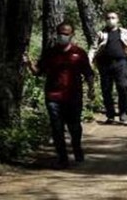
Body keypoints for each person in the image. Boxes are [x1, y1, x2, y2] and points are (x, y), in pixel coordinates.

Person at [24, 23, 95, 169]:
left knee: (74, 126)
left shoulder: (79, 53)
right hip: (53, 96)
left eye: (67, 33)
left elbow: (88, 73)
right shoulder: (50, 53)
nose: (63, 36)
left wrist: (91, 89)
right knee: (56, 127)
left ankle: (77, 148)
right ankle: (62, 158)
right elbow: (38, 72)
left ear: (72, 35)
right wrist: (29, 64)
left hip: (73, 96)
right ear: (57, 34)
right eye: (61, 33)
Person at [91, 12, 127, 124]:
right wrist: (90, 60)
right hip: (104, 64)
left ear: (117, 19)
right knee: (106, 90)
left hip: (121, 63)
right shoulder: (101, 33)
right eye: (108, 18)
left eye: (113, 18)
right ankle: (110, 115)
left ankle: (123, 112)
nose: (110, 20)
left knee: (123, 87)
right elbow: (94, 47)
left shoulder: (125, 32)